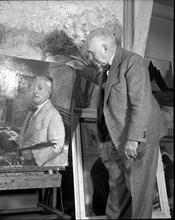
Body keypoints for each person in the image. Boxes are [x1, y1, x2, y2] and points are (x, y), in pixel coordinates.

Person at [67, 27, 166, 219]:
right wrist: (80, 70)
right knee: (117, 188)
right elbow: (101, 79)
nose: (91, 57)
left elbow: (142, 104)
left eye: (92, 53)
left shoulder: (132, 62)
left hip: (139, 139)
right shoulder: (110, 65)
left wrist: (134, 138)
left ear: (104, 47)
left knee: (139, 192)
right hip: (117, 138)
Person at [18, 76, 65, 166]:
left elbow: (57, 147)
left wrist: (33, 156)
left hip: (42, 170)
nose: (35, 91)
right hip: (25, 165)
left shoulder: (54, 115)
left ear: (48, 92)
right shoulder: (31, 111)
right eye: (34, 88)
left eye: (39, 88)